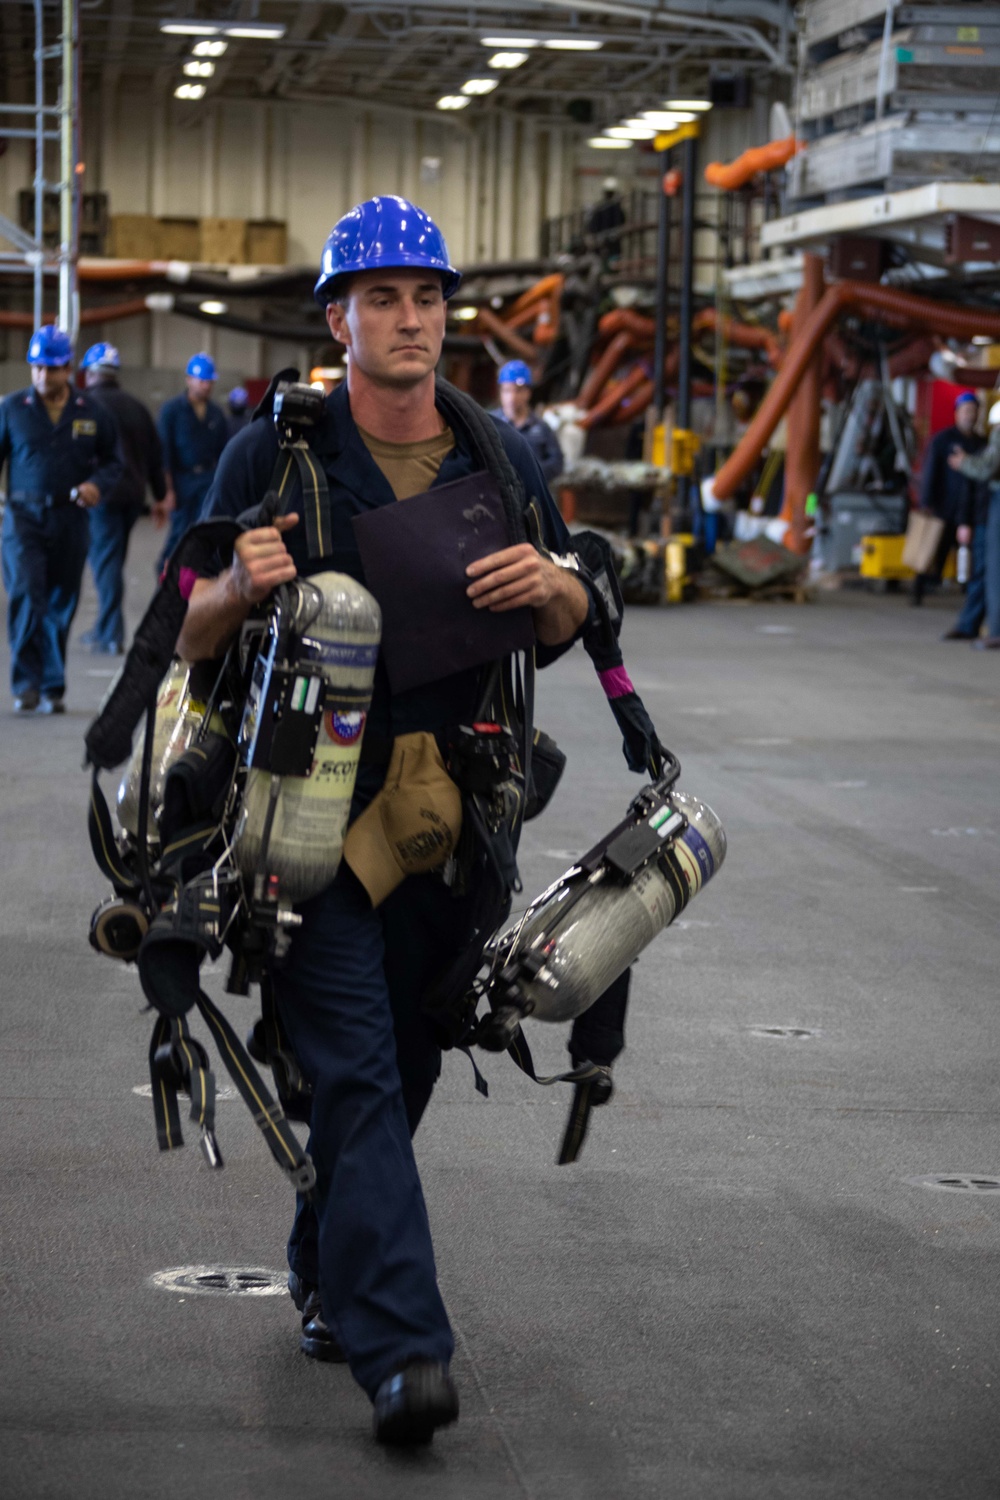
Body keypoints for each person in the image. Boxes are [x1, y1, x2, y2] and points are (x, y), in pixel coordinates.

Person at [177, 195, 590, 1445]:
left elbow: (572, 625)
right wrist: (236, 591)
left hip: (453, 831)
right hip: (308, 824)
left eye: (428, 298)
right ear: (339, 319)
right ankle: (405, 1348)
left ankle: (322, 1265)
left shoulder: (498, 459)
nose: (410, 320)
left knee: (397, 1075)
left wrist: (554, 585)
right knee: (353, 1072)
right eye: (383, 299)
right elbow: (183, 637)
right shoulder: (275, 454)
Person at [0, 326, 121, 713]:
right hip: (22, 518)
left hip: (71, 518)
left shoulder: (92, 412)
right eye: (36, 368)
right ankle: (26, 684)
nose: (41, 377)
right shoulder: (12, 408)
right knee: (25, 593)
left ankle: (52, 685)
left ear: (68, 368)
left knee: (61, 601)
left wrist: (96, 484)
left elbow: (114, 462)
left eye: (50, 369)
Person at [78, 342, 166, 655]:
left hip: (101, 496)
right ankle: (106, 628)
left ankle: (110, 634)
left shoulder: (85, 406)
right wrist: (159, 497)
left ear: (89, 374)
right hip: (132, 497)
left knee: (106, 564)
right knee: (111, 561)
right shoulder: (137, 406)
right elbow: (156, 456)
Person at [155, 352, 228, 572]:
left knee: (202, 534)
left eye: (210, 382)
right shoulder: (171, 411)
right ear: (189, 379)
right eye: (202, 381)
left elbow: (224, 454)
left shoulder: (216, 414)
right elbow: (164, 454)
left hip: (207, 481)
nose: (206, 386)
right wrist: (167, 491)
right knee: (179, 534)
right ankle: (165, 577)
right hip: (181, 481)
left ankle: (191, 583)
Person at [913, 391, 984, 606]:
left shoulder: (981, 443)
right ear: (957, 414)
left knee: (969, 556)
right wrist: (926, 503)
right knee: (934, 551)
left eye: (973, 411)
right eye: (966, 411)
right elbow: (930, 472)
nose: (969, 416)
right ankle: (919, 590)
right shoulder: (942, 440)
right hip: (943, 507)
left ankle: (969, 596)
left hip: (970, 510)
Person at [949, 400, 1000, 649]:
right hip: (980, 515)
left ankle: (993, 630)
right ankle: (971, 624)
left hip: (991, 510)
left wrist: (965, 463)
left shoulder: (984, 442)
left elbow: (988, 468)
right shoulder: (946, 441)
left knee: (992, 570)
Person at [491, 359, 564, 482]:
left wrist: (530, 473)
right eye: (507, 390)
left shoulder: (541, 427)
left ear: (528, 392)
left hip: (532, 493)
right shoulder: (490, 424)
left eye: (518, 390)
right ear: (501, 392)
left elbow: (556, 462)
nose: (512, 397)